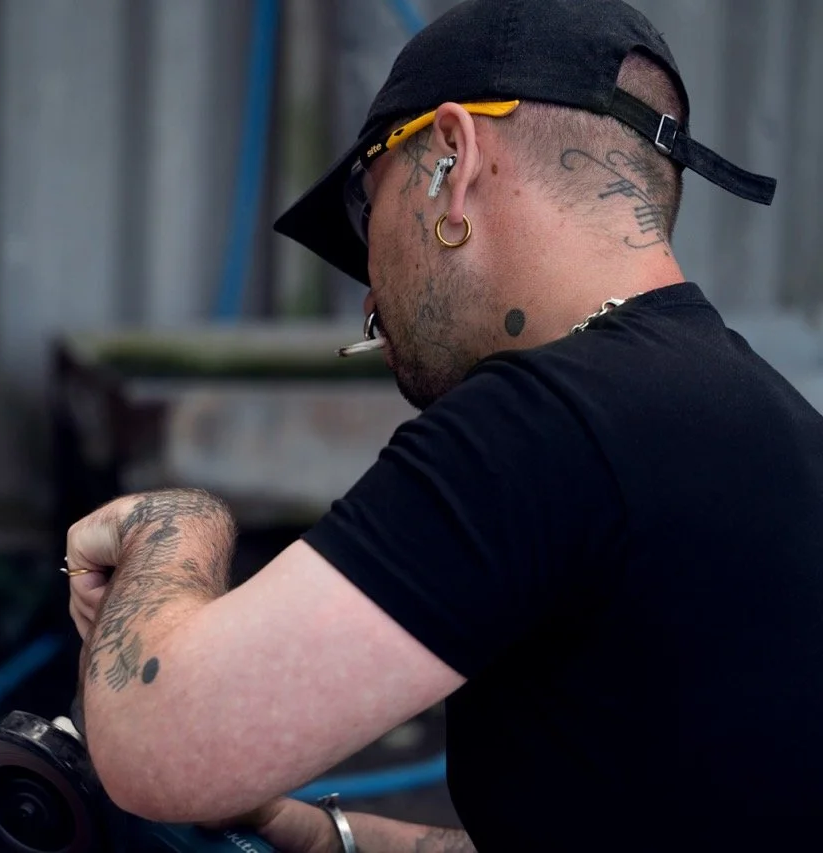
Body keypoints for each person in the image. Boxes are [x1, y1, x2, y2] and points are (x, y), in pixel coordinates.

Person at [64, 1, 817, 850]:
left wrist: (177, 527)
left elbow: (162, 747)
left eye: (367, 207)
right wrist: (319, 833)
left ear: (451, 161)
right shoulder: (776, 423)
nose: (369, 296)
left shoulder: (545, 422)